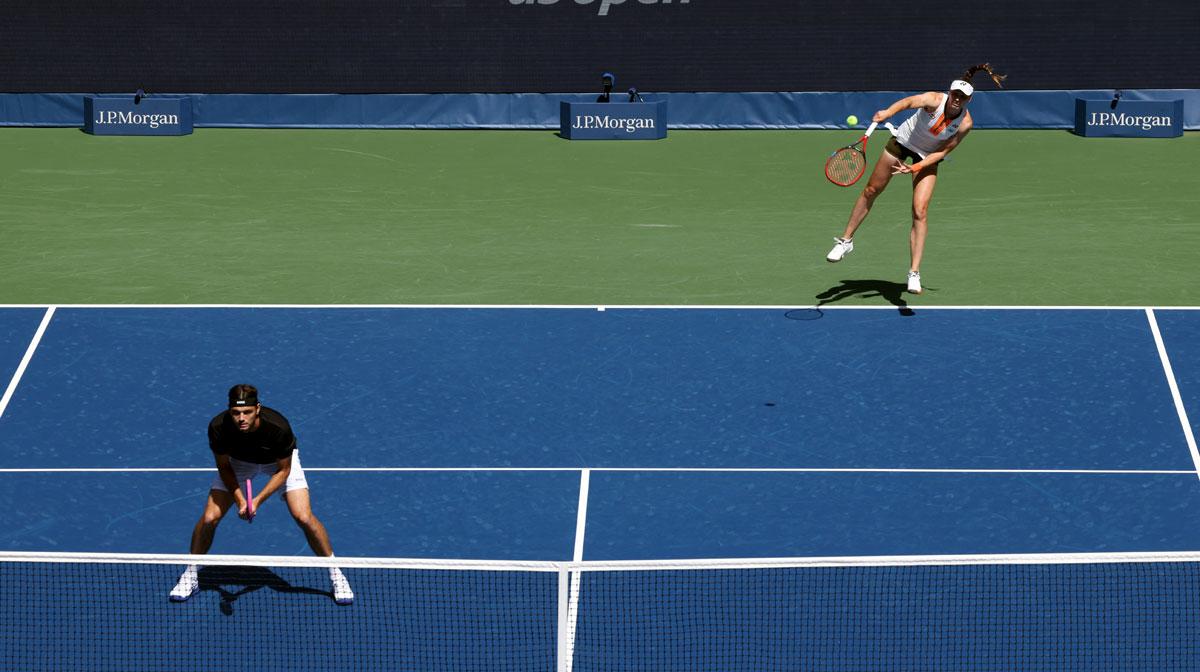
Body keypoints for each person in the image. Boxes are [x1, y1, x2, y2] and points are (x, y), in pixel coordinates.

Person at [825, 63, 1006, 294]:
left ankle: (914, 273)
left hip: (927, 156)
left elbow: (943, 152)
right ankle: (845, 242)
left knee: (920, 210)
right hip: (902, 143)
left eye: (963, 97)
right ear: (949, 93)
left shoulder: (966, 124)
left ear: (969, 100)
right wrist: (889, 113)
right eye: (955, 94)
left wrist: (916, 167)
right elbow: (909, 102)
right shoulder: (934, 100)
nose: (957, 100)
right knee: (871, 190)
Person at [169, 384, 353, 605]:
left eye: (247, 412)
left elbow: (284, 470)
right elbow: (224, 467)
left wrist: (256, 500)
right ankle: (190, 574)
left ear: (258, 408)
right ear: (229, 411)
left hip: (276, 464)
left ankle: (335, 574)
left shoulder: (278, 428)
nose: (241, 418)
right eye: (236, 413)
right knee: (209, 517)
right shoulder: (218, 427)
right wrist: (240, 499)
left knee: (303, 516)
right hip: (239, 463)